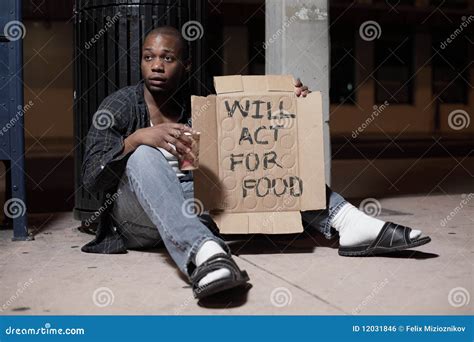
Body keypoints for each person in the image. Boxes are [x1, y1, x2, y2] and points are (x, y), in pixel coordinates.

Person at [81, 26, 431, 299]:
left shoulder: (202, 101)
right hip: (136, 219)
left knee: (260, 165)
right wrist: (137, 138)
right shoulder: (121, 106)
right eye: (148, 57)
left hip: (194, 206)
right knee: (143, 155)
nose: (156, 65)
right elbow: (91, 180)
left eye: (168, 58)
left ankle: (348, 223)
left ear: (185, 64)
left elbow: (247, 142)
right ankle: (205, 255)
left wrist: (286, 102)